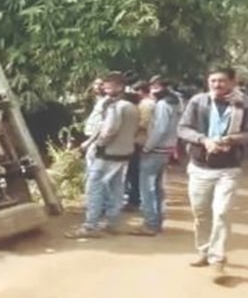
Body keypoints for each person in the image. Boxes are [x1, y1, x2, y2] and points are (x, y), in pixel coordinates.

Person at [178, 67, 248, 276]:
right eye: (213, 81)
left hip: (229, 168)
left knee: (221, 212)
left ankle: (218, 257)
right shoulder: (198, 101)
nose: (216, 85)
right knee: (201, 213)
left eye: (221, 81)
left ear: (232, 82)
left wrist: (231, 139)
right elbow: (183, 128)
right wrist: (204, 140)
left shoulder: (245, 103)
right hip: (199, 167)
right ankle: (204, 251)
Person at [65, 72, 139, 239]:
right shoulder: (131, 106)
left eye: (110, 84)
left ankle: (90, 226)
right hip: (124, 153)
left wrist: (97, 144)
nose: (105, 87)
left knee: (94, 187)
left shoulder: (115, 107)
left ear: (120, 87)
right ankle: (113, 223)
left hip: (107, 154)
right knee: (116, 188)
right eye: (105, 84)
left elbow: (109, 131)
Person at [130, 77, 182, 236]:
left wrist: (147, 147)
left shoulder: (162, 105)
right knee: (158, 188)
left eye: (154, 87)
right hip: (167, 149)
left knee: (147, 188)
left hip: (156, 149)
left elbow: (159, 129)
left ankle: (150, 224)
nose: (152, 90)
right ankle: (157, 221)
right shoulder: (176, 102)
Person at [123, 80, 155, 212]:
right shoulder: (148, 103)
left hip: (141, 141)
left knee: (135, 172)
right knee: (136, 172)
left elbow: (144, 123)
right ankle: (136, 198)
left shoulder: (146, 105)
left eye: (136, 91)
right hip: (143, 141)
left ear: (141, 91)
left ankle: (135, 200)